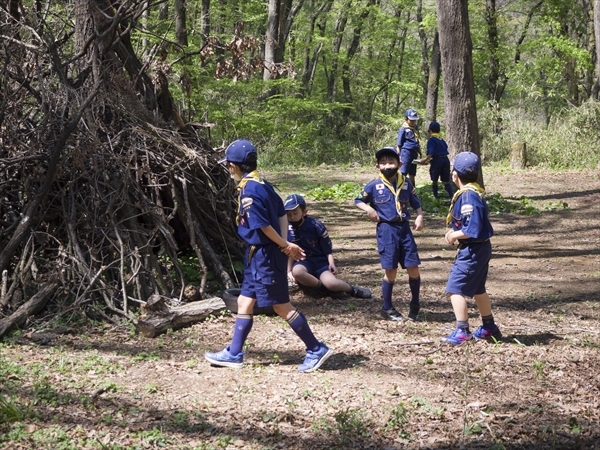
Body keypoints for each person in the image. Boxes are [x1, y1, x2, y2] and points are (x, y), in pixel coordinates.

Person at [205, 140, 333, 372]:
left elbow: (264, 226)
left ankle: (316, 349)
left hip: (265, 255)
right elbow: (282, 213)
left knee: (281, 305)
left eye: (228, 166)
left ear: (233, 166)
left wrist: (285, 245)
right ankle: (234, 354)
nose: (228, 170)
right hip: (258, 254)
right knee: (244, 301)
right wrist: (286, 244)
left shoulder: (251, 190)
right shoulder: (261, 183)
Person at [354, 146, 424, 321]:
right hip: (386, 230)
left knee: (413, 267)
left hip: (404, 229)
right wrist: (368, 209)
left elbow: (416, 202)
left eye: (391, 162)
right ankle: (387, 307)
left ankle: (415, 303)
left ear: (399, 163)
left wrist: (420, 216)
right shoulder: (373, 185)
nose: (387, 166)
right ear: (378, 166)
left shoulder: (406, 182)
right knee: (390, 269)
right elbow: (358, 200)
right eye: (383, 163)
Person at [441, 151, 502, 345]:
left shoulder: (468, 197)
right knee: (477, 288)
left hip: (473, 250)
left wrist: (453, 235)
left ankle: (462, 330)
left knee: (454, 289)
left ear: (455, 175)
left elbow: (471, 229)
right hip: (481, 248)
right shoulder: (474, 192)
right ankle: (489, 327)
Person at [284, 193, 372, 299]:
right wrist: (289, 271)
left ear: (304, 212)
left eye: (295, 213)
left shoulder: (316, 226)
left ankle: (352, 290)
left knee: (332, 284)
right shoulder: (286, 228)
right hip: (303, 262)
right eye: (288, 214)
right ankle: (324, 289)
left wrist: (331, 263)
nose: (292, 217)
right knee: (297, 272)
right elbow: (290, 252)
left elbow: (327, 248)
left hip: (320, 262)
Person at [416, 121, 453, 200]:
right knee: (446, 181)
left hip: (437, 162)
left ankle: (435, 198)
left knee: (434, 180)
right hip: (445, 160)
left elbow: (431, 153)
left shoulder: (432, 140)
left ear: (430, 130)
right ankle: (452, 197)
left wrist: (424, 160)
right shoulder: (442, 140)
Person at [396, 108, 422, 186]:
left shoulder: (415, 128)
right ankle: (400, 188)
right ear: (406, 119)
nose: (413, 122)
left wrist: (419, 151)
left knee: (412, 173)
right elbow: (399, 144)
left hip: (414, 153)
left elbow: (416, 140)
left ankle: (412, 189)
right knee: (403, 171)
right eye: (411, 120)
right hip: (406, 152)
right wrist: (399, 156)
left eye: (415, 120)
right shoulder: (403, 129)